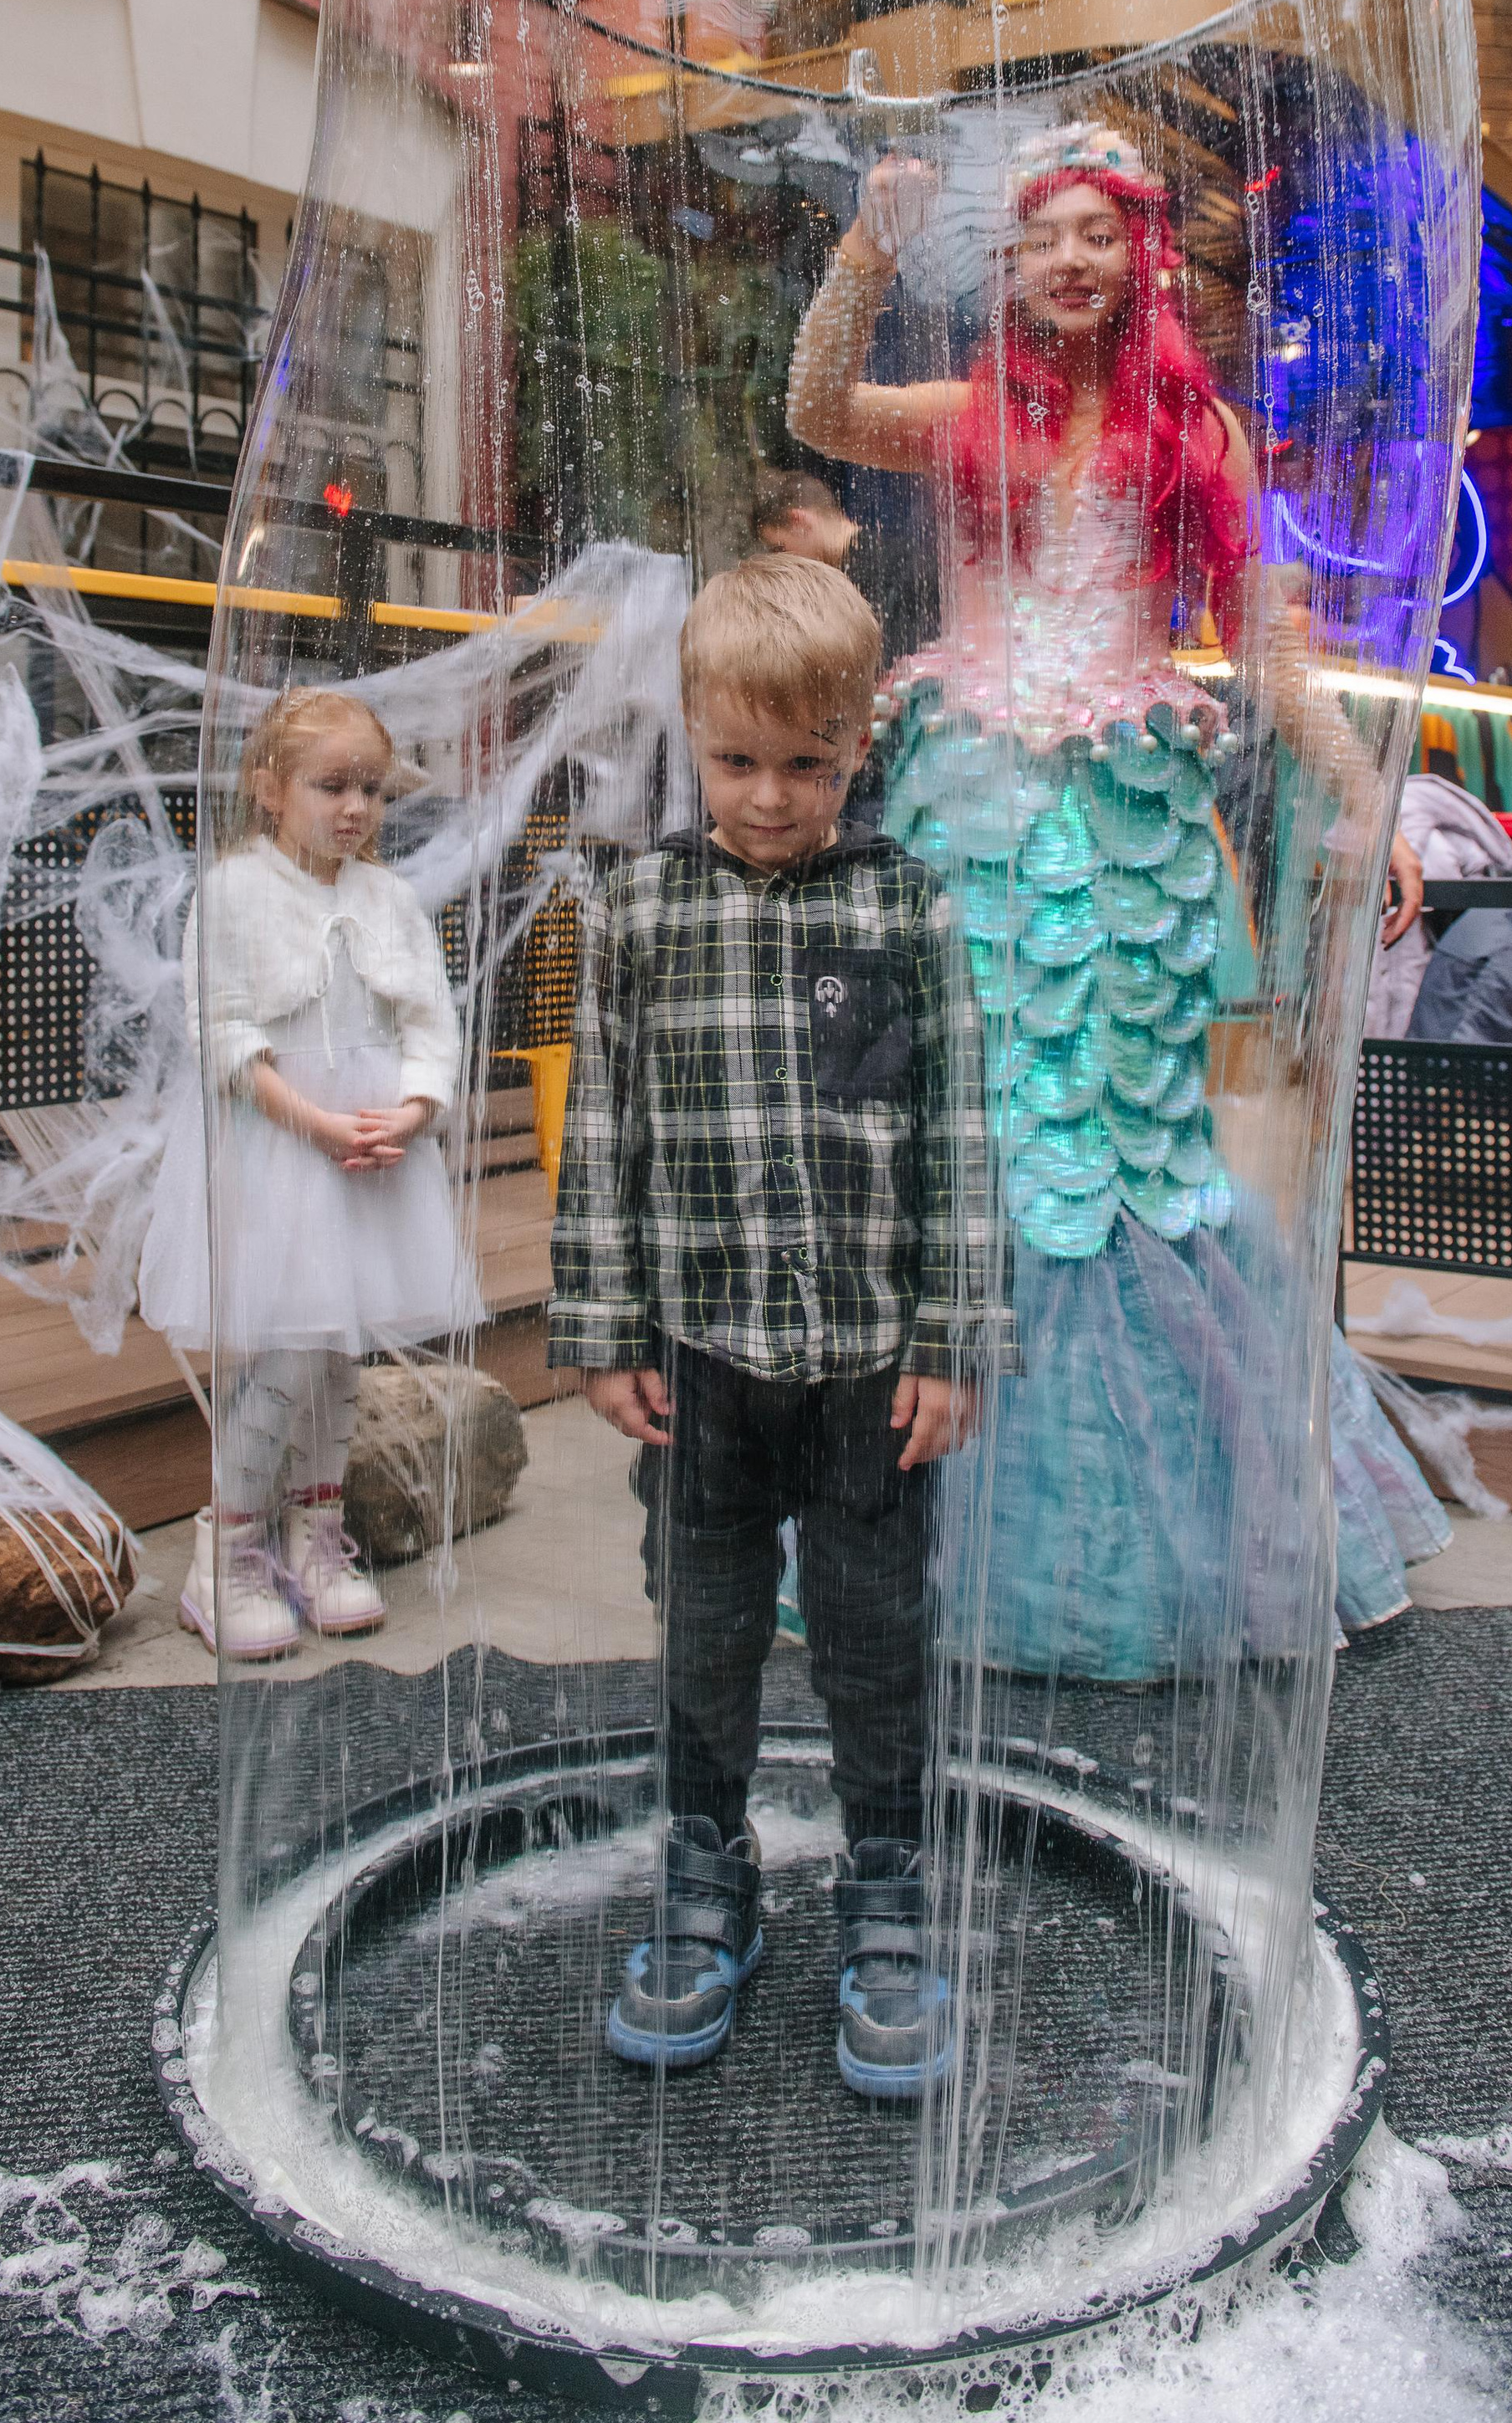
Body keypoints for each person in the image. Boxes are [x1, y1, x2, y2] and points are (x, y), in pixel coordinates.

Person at [785, 122, 1446, 1671]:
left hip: (1129, 832)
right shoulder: (963, 415)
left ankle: (1146, 1548)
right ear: (1009, 265)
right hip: (974, 819)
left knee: (1133, 1145)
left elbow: (1265, 649)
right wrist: (869, 249)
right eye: (1043, 237)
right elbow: (815, 408)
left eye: (1100, 232)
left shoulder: (1200, 431)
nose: (1071, 260)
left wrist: (1370, 798)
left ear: (1140, 252)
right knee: (976, 1132)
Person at [548, 556, 994, 2094]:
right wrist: (604, 1327)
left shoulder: (906, 906)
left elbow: (959, 1134)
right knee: (706, 1621)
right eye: (738, 760)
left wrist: (951, 1336)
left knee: (876, 1631)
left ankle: (886, 1876)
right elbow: (602, 1128)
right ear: (692, 730)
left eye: (809, 764)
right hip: (701, 1361)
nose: (770, 797)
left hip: (871, 1363)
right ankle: (704, 1857)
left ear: (859, 744)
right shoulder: (639, 907)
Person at [140, 687, 481, 1661]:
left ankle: (315, 1537)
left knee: (336, 1351)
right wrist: (316, 1123)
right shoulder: (234, 893)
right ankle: (227, 1551)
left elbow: (430, 1021)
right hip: (281, 1149)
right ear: (269, 788)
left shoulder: (388, 899)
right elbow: (222, 1032)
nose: (355, 808)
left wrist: (412, 1110)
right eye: (331, 786)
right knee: (289, 1351)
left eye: (370, 789)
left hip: (371, 1155)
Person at [751, 466, 859, 568]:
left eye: (780, 549)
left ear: (798, 521)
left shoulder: (858, 567)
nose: (783, 562)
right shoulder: (860, 555)